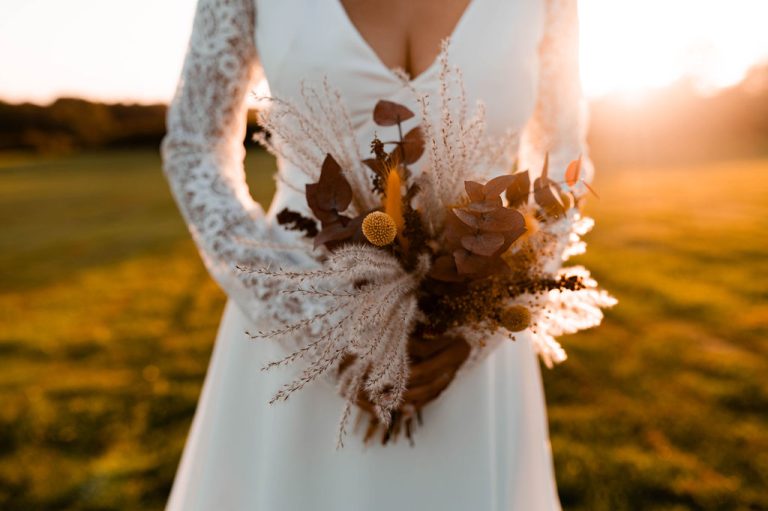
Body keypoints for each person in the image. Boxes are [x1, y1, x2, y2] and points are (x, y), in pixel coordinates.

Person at [162, 0, 590, 509]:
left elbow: (567, 158)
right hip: (295, 334)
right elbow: (195, 145)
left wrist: (479, 326)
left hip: (464, 362)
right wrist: (311, 322)